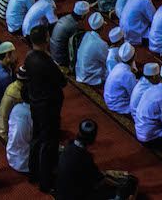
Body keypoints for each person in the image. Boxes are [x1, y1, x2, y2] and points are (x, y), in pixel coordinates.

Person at [24, 22, 67, 189]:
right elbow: (62, 82)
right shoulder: (46, 62)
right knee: (48, 144)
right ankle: (45, 181)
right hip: (48, 107)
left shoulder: (29, 57)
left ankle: (33, 173)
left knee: (36, 139)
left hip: (35, 104)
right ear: (46, 39)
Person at [55, 117, 138, 200]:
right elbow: (101, 180)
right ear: (93, 138)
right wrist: (121, 184)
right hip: (76, 196)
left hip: (61, 192)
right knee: (126, 188)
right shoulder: (85, 158)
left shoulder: (68, 147)